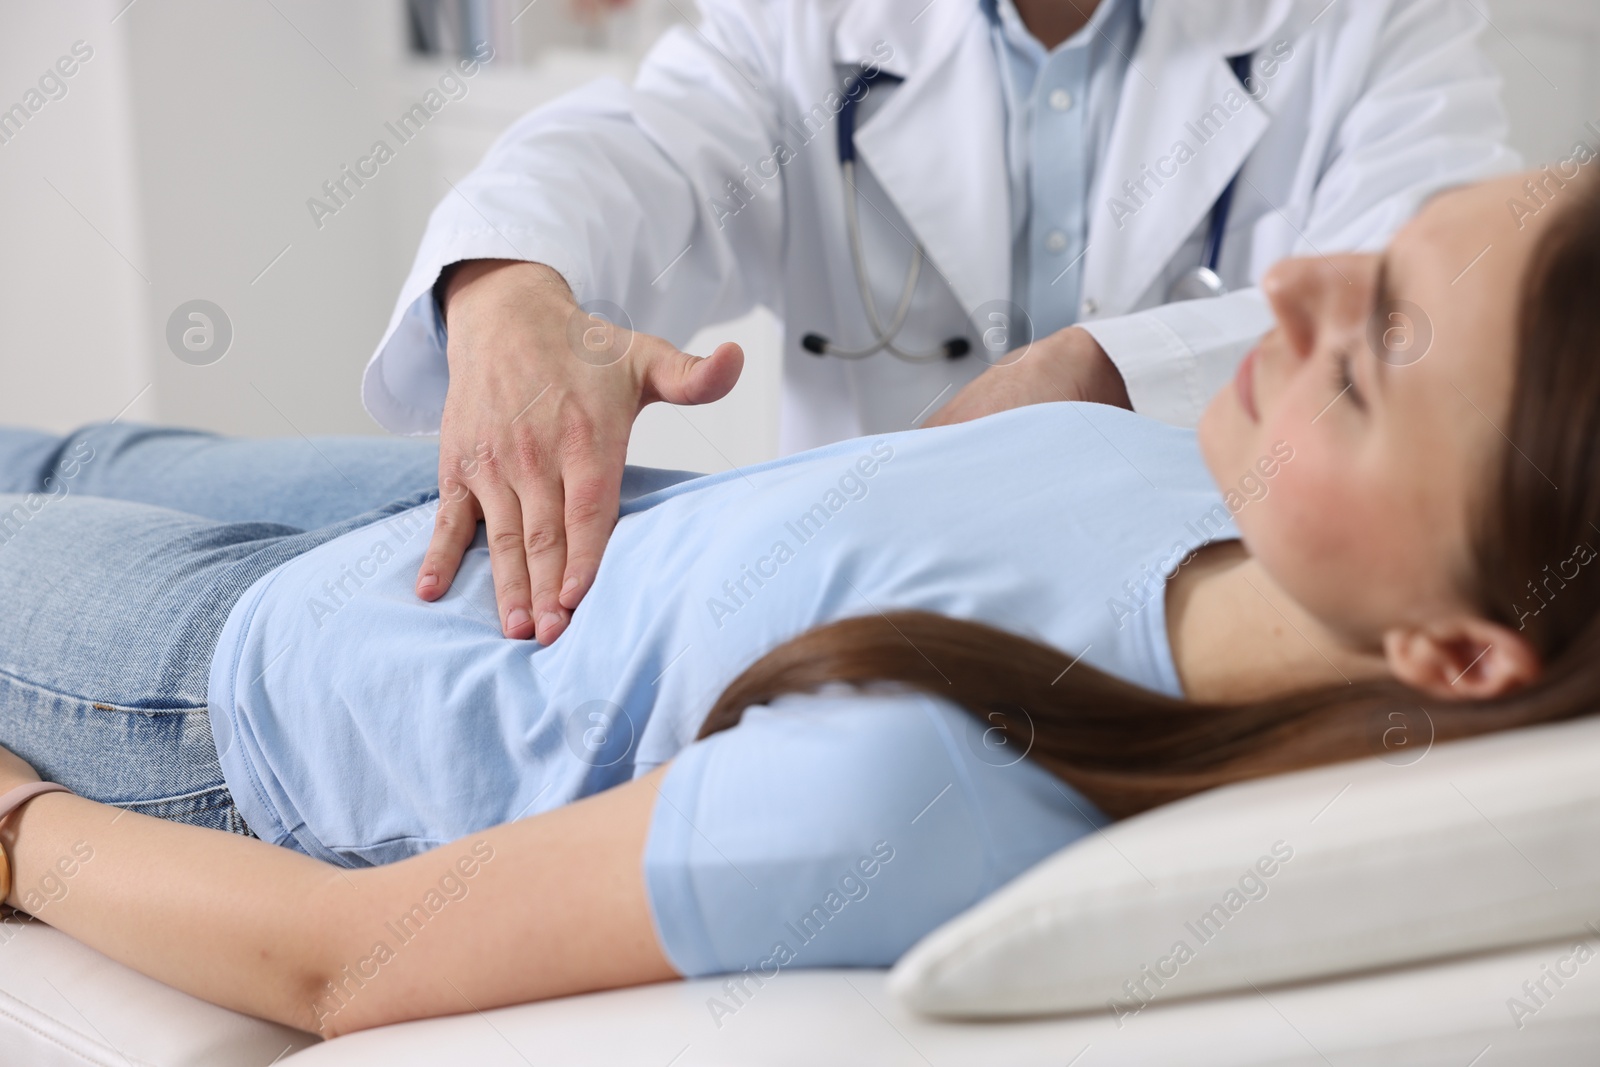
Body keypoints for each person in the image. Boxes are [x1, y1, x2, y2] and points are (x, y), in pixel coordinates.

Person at [1, 166, 1596, 1037]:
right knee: (49, 443)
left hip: (234, 693)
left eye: (1379, 344)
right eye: (1380, 253)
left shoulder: (928, 785)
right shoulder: (1237, 510)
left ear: (1452, 649)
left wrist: (16, 831)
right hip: (458, 520)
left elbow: (338, 960)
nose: (1299, 284)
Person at [368, 0, 1519, 646]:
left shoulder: (1371, 26)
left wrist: (1105, 373)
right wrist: (509, 280)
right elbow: (646, 146)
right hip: (847, 602)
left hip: (1165, 621)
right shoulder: (811, 24)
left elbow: (1446, 310)